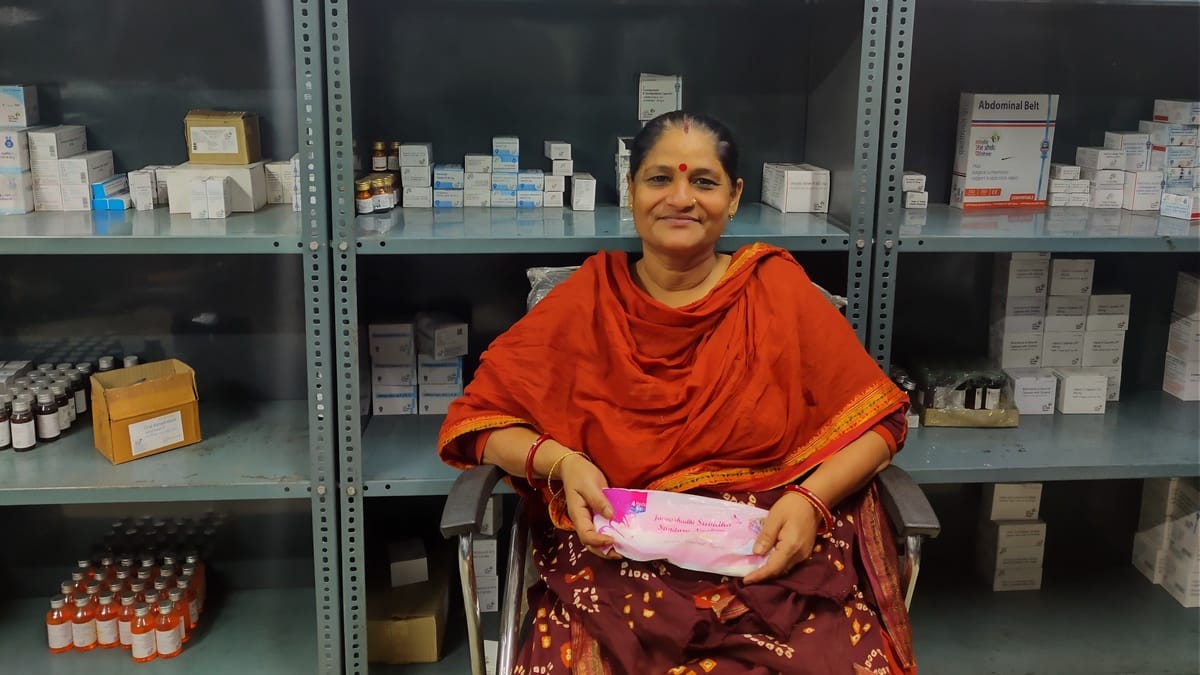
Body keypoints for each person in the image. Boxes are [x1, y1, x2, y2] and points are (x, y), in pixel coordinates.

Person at [439, 111, 915, 675]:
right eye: (660, 178)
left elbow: (880, 423)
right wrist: (563, 463)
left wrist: (811, 502)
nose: (681, 198)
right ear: (631, 190)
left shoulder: (777, 292)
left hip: (770, 550)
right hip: (616, 555)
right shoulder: (587, 301)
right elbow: (480, 422)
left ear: (735, 197)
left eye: (704, 182)